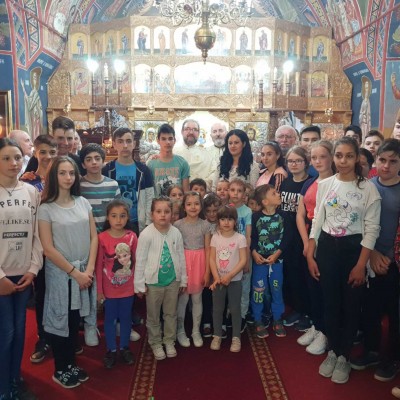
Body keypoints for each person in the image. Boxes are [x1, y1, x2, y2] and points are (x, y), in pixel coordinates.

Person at [307, 136, 381, 384]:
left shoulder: (368, 189)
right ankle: (333, 350)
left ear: (357, 158)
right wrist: (311, 251)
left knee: (350, 305)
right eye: (339, 156)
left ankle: (344, 356)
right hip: (328, 248)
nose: (343, 161)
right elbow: (318, 219)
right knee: (330, 303)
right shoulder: (326, 184)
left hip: (353, 249)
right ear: (333, 157)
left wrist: (361, 265)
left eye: (349, 156)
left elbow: (371, 229)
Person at [38, 156, 98, 389]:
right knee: (60, 319)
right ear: (54, 176)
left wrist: (88, 270)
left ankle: (71, 363)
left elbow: (93, 237)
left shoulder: (82, 202)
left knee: (75, 320)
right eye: (62, 173)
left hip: (83, 271)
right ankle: (60, 368)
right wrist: (75, 272)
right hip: (62, 274)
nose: (68, 177)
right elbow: (48, 248)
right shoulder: (46, 208)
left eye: (71, 173)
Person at [350, 139, 400, 382]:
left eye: (393, 161)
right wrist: (371, 254)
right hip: (368, 255)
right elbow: (357, 222)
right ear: (375, 160)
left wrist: (388, 257)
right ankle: (371, 350)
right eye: (382, 160)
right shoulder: (367, 186)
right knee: (369, 307)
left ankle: (391, 358)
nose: (386, 166)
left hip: (393, 261)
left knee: (394, 311)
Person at [0, 138, 43, 400]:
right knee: (5, 334)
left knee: (18, 332)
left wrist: (33, 268)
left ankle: (14, 379)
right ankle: (3, 389)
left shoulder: (30, 192)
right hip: (2, 276)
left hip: (23, 273)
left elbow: (37, 234)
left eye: (17, 157)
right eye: (6, 158)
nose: (13, 163)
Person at [135, 197, 187, 360]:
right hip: (153, 283)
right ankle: (156, 342)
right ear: (152, 214)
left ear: (172, 214)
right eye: (158, 211)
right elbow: (140, 260)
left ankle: (169, 340)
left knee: (171, 313)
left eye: (166, 211)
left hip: (172, 281)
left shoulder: (175, 232)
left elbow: (181, 256)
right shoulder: (146, 234)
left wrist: (183, 279)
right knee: (153, 315)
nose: (163, 215)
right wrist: (139, 284)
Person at [296, 140, 334, 356]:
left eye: (322, 157)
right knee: (312, 285)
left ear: (331, 157)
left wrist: (314, 241)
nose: (318, 161)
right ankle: (317, 324)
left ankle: (326, 331)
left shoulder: (336, 182)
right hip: (310, 235)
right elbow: (300, 214)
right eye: (314, 158)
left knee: (325, 286)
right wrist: (306, 242)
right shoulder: (309, 183)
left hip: (328, 236)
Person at [96, 200, 138, 368]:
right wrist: (99, 290)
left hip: (128, 288)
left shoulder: (132, 237)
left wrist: (138, 285)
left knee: (126, 318)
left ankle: (125, 347)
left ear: (128, 217)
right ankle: (111, 349)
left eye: (122, 216)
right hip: (109, 290)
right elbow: (98, 266)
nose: (118, 220)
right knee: (110, 319)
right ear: (108, 217)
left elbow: (137, 262)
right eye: (114, 216)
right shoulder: (101, 238)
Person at [250, 184, 289, 339]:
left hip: (276, 262)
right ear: (265, 202)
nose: (278, 194)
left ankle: (277, 318)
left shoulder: (284, 216)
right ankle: (258, 319)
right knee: (258, 291)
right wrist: (254, 252)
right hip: (259, 261)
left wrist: (277, 254)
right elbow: (252, 237)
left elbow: (288, 237)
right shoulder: (255, 217)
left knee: (276, 289)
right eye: (274, 193)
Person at [174, 191, 211, 348]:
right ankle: (180, 330)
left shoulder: (205, 225)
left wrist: (207, 271)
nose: (193, 207)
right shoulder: (178, 225)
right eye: (189, 204)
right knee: (182, 299)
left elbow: (208, 249)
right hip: (184, 264)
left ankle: (196, 330)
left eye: (196, 203)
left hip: (200, 264)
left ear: (201, 206)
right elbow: (176, 249)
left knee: (197, 299)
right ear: (184, 207)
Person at [280, 146, 311, 331]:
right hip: (287, 235)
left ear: (306, 163)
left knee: (302, 274)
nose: (294, 164)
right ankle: (296, 308)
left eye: (298, 161)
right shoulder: (286, 183)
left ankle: (306, 311)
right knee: (291, 273)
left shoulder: (310, 183)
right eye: (290, 161)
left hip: (303, 235)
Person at [102, 127, 154, 236]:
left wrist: (148, 223)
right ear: (114, 144)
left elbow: (150, 197)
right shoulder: (107, 170)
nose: (125, 145)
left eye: (128, 141)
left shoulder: (143, 170)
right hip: (114, 223)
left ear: (134, 144)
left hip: (137, 222)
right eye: (120, 141)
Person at [209, 205, 247, 352]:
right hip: (218, 281)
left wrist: (230, 276)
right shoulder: (215, 237)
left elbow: (243, 260)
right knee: (218, 309)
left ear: (235, 221)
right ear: (218, 221)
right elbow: (212, 259)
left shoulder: (240, 238)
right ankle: (217, 335)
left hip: (234, 280)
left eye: (230, 219)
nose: (226, 222)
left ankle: (236, 337)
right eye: (223, 219)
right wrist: (216, 277)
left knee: (235, 308)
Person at [80, 143, 121, 233]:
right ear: (83, 164)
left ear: (103, 162)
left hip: (108, 235)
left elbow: (118, 211)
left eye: (97, 158)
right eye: (89, 159)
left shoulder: (113, 185)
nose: (94, 162)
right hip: (85, 235)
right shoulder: (79, 186)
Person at [228, 179, 252, 332]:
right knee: (230, 286)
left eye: (239, 191)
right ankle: (230, 313)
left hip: (243, 254)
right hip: (229, 255)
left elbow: (248, 236)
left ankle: (242, 315)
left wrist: (247, 259)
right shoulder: (225, 209)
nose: (235, 193)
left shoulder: (247, 211)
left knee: (244, 287)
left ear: (244, 194)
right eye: (232, 190)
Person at [147, 124, 190, 196]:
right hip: (158, 202)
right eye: (163, 139)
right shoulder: (151, 164)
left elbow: (186, 193)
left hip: (177, 202)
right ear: (158, 140)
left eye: (170, 139)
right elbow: (149, 192)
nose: (167, 142)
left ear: (174, 140)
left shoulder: (183, 163)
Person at [175, 119, 213, 186]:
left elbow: (213, 173)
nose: (191, 132)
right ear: (182, 132)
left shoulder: (207, 155)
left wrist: (200, 186)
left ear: (198, 133)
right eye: (187, 129)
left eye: (195, 130)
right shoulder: (173, 153)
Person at [20, 68, 43, 140]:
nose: (34, 80)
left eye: (35, 78)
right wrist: (23, 87)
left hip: (37, 117)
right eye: (33, 78)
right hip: (33, 116)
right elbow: (29, 101)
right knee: (33, 131)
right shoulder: (32, 92)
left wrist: (38, 111)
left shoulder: (36, 92)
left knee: (36, 131)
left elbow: (33, 104)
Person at [359, 78, 372, 142]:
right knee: (363, 131)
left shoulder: (368, 101)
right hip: (363, 119)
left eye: (367, 88)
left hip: (366, 120)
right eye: (365, 88)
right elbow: (361, 111)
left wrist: (366, 115)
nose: (366, 90)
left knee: (366, 131)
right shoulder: (363, 101)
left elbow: (368, 111)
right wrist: (362, 114)